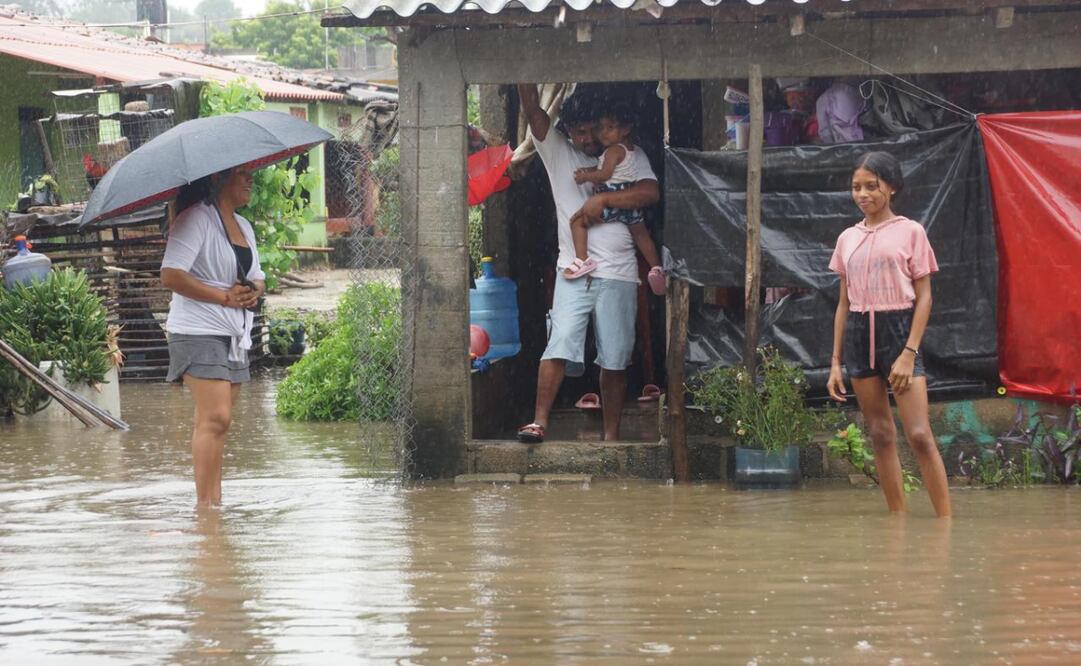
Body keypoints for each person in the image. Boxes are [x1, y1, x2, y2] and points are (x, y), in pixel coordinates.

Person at [515, 84, 660, 444]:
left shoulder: (629, 155)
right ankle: (539, 423)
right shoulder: (559, 153)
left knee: (614, 359)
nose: (588, 138)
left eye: (594, 130)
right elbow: (534, 111)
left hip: (621, 274)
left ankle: (611, 436)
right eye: (579, 131)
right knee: (559, 344)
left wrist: (605, 198)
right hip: (574, 273)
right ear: (567, 131)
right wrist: (522, 70)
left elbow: (650, 193)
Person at [827, 152, 951, 518]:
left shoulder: (911, 231)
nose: (862, 194)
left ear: (891, 187)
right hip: (859, 334)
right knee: (880, 434)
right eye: (856, 187)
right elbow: (843, 303)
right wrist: (835, 362)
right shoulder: (847, 238)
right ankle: (897, 521)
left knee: (918, 434)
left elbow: (925, 296)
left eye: (871, 186)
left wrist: (909, 351)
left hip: (900, 332)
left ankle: (946, 525)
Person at [160, 166, 265, 507]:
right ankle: (206, 509)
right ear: (219, 178)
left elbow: (257, 277)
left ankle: (213, 503)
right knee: (216, 417)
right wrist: (223, 297)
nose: (251, 180)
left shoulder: (244, 226)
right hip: (197, 330)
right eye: (243, 174)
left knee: (217, 422)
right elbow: (171, 274)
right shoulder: (195, 219)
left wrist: (253, 292)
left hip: (234, 332)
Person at [565, 103, 665, 295]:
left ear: (626, 129)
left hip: (615, 199)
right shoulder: (629, 150)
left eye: (609, 128)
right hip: (630, 204)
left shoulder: (613, 151)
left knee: (577, 222)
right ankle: (657, 268)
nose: (602, 133)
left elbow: (604, 174)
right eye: (600, 128)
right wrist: (590, 170)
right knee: (641, 235)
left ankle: (581, 260)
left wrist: (587, 177)